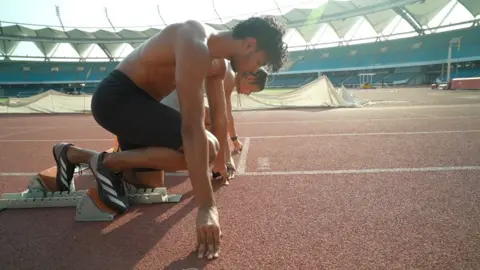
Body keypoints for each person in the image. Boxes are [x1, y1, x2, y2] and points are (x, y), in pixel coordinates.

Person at [51, 17, 288, 260]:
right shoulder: (195, 43)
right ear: (249, 44)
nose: (252, 70)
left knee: (156, 177)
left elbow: (219, 117)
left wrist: (219, 163)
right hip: (116, 100)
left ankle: (73, 154)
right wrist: (207, 207)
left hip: (143, 107)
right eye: (258, 62)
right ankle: (107, 163)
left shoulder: (219, 63)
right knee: (204, 148)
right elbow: (192, 128)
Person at [160, 66, 268, 183]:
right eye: (251, 90)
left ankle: (188, 147)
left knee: (209, 118)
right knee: (211, 122)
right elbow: (221, 119)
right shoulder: (228, 77)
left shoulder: (229, 74)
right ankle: (173, 150)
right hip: (171, 106)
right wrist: (226, 158)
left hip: (176, 101)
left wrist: (234, 139)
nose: (248, 94)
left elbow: (227, 114)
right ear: (250, 78)